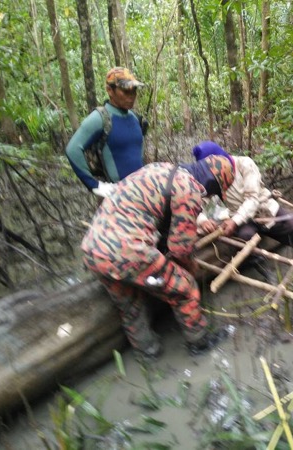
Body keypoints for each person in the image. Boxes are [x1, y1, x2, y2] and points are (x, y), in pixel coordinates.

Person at [81, 155, 235, 360]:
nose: (211, 195)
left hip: (93, 249)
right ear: (213, 181)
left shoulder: (162, 168)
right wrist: (191, 269)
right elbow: (180, 250)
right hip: (126, 251)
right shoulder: (189, 189)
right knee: (185, 288)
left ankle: (147, 353)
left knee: (130, 303)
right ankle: (199, 341)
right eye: (215, 191)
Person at [192, 141, 293, 282]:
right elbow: (195, 204)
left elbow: (252, 199)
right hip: (238, 216)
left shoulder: (244, 164)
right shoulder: (211, 177)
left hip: (263, 207)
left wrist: (235, 221)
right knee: (245, 238)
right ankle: (267, 273)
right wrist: (202, 220)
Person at [66, 67, 146, 198]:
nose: (132, 96)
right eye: (126, 91)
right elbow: (73, 149)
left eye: (134, 90)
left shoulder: (134, 117)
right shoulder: (100, 118)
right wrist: (94, 185)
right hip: (117, 196)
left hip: (142, 192)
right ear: (110, 90)